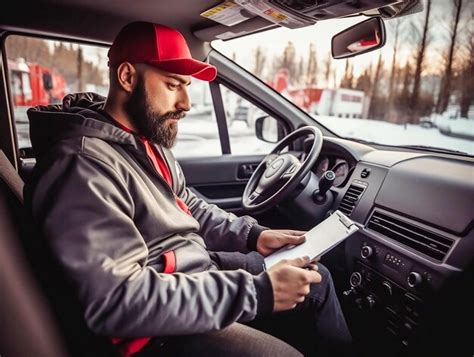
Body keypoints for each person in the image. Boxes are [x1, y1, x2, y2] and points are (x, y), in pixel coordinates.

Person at [25, 21, 352, 357]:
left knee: (317, 280)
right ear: (127, 77)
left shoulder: (143, 139)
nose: (185, 102)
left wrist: (252, 236)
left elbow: (184, 202)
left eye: (186, 87)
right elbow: (116, 300)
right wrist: (257, 293)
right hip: (155, 331)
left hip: (193, 269)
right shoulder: (82, 166)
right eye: (172, 85)